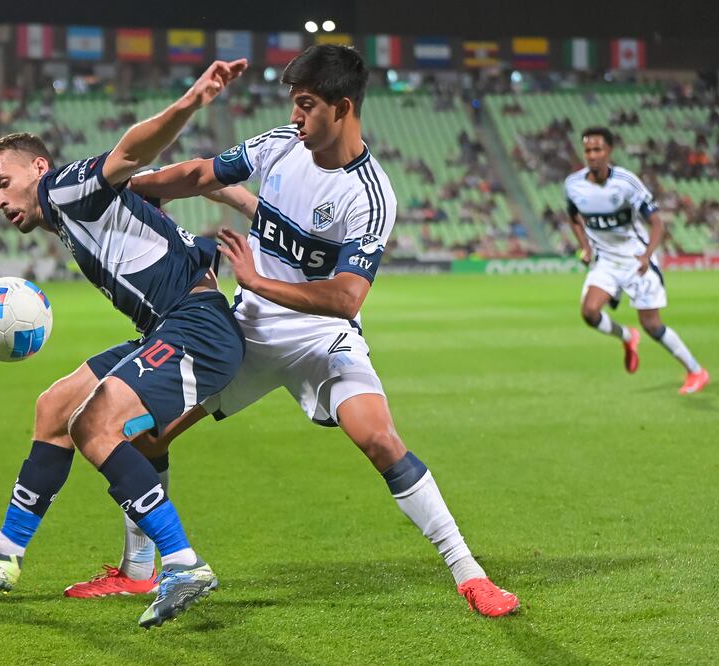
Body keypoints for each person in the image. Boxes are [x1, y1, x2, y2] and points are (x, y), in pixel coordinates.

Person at [74, 45, 518, 618]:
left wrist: (257, 281)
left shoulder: (372, 196)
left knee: (379, 438)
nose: (296, 116)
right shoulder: (281, 145)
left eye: (307, 105)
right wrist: (126, 189)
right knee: (146, 436)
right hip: (246, 336)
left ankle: (471, 575)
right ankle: (139, 571)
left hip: (319, 338)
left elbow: (345, 298)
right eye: (294, 103)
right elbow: (201, 173)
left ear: (344, 107)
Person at [0, 58, 248, 628]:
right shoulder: (69, 218)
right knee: (55, 406)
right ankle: (5, 553)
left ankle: (184, 563)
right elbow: (162, 183)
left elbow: (129, 153)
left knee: (93, 424)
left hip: (198, 329)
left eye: (3, 183)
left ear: (38, 167)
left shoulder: (64, 189)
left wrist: (189, 103)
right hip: (169, 328)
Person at [565, 127, 709, 394]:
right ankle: (628, 337)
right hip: (606, 262)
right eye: (588, 150)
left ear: (609, 152)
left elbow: (656, 223)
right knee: (589, 312)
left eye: (598, 150)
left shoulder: (626, 182)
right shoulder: (574, 184)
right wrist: (585, 247)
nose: (592, 155)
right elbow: (573, 216)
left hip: (635, 260)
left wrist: (646, 255)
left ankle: (696, 371)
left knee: (652, 324)